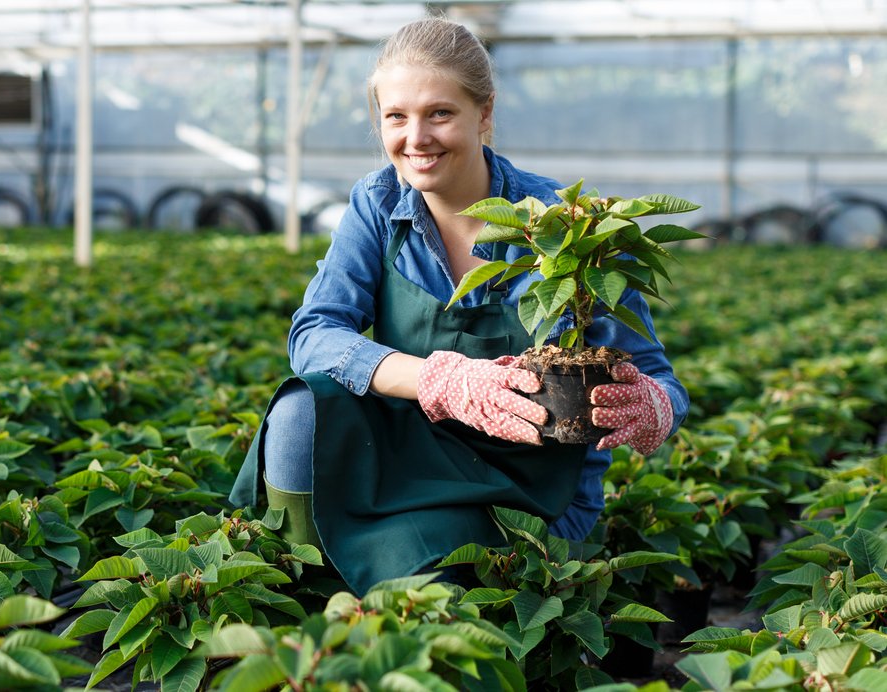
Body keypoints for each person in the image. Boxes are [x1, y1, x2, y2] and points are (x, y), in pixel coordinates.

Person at [229, 16, 689, 595]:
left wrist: (652, 407)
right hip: (407, 453)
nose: (415, 138)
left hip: (524, 484)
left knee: (435, 589)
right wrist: (440, 380)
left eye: (439, 113)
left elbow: (659, 379)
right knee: (300, 414)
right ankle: (303, 589)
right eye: (396, 116)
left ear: (485, 114)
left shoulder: (569, 227)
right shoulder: (378, 203)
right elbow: (315, 335)